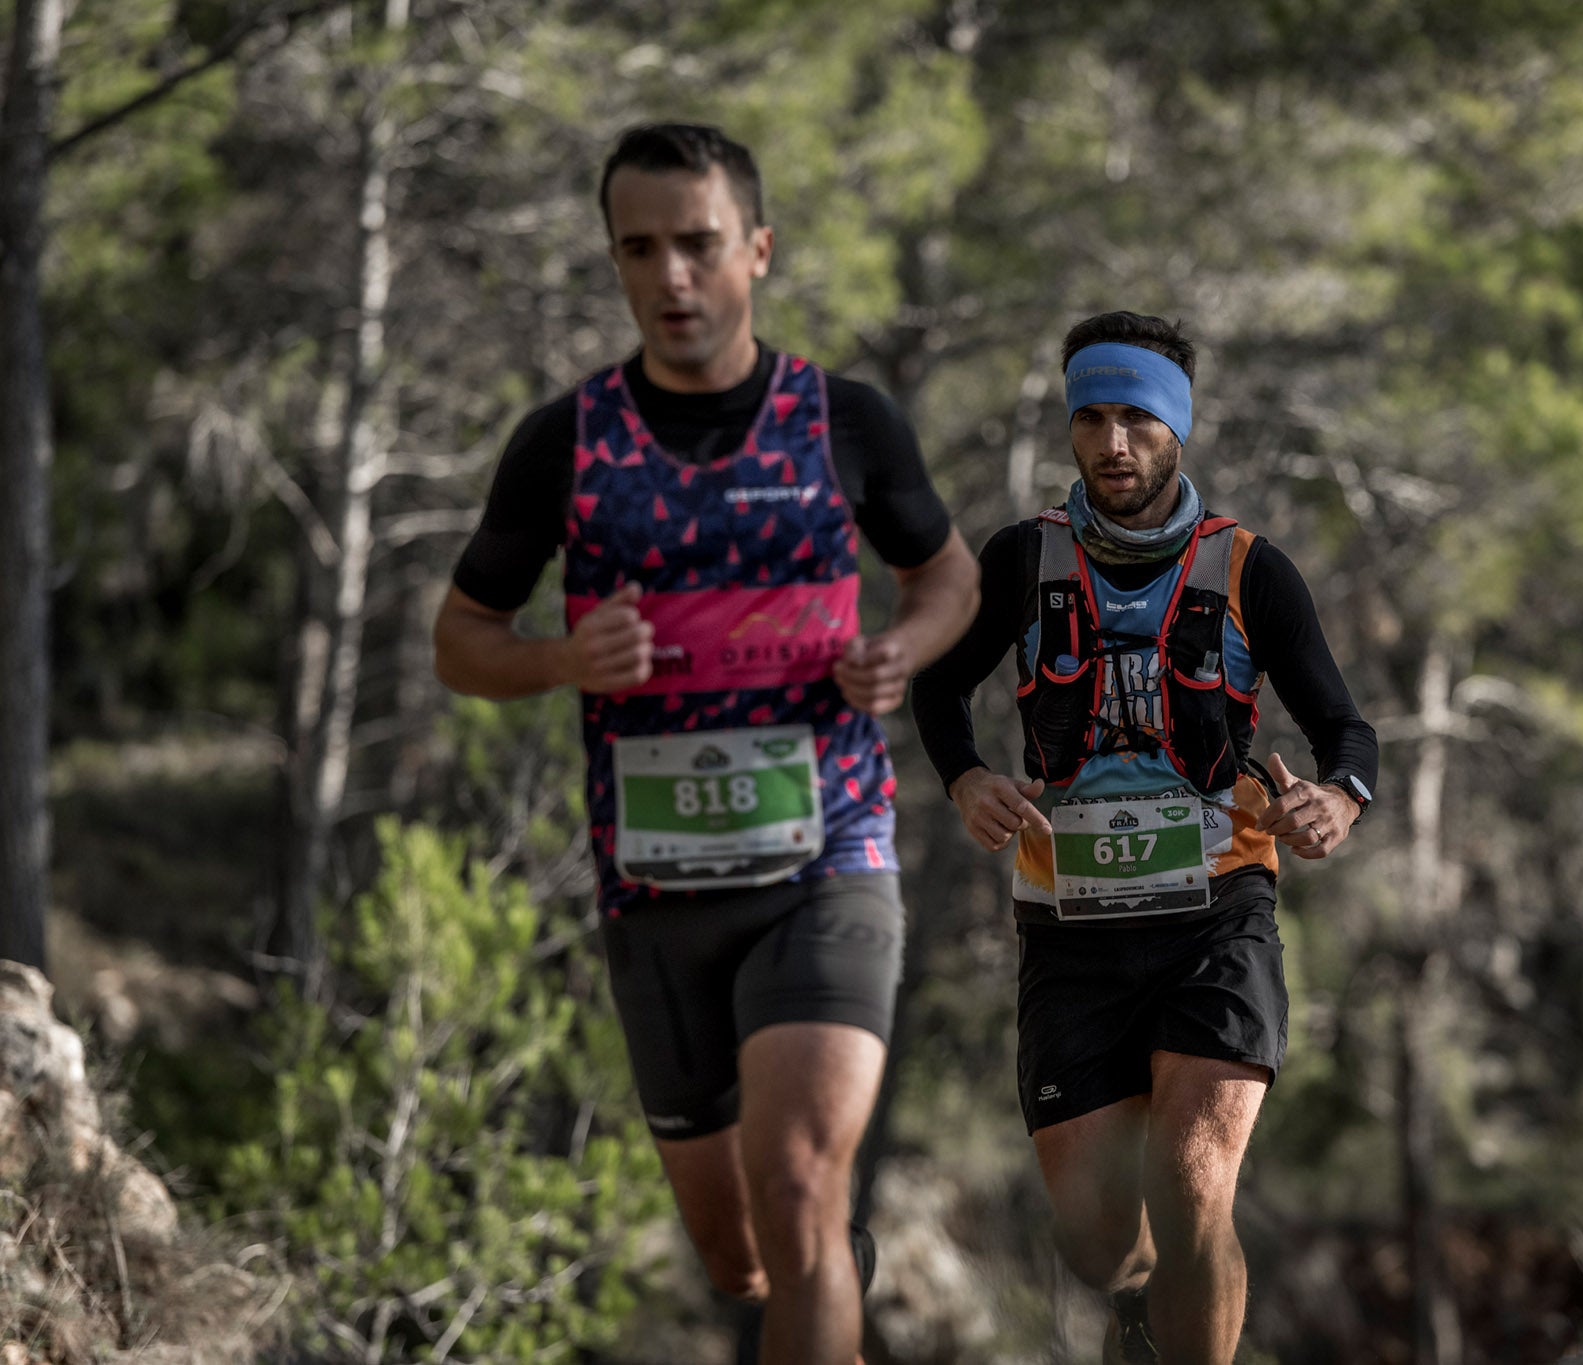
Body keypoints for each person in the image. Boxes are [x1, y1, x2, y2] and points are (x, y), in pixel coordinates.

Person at [433, 122, 979, 1365]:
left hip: (828, 858)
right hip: (656, 886)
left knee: (796, 1191)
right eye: (640, 249)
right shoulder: (562, 445)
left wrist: (903, 648)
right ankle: (823, 1271)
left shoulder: (845, 421)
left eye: (698, 244)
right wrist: (559, 660)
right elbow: (460, 641)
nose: (671, 276)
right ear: (616, 263)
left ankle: (822, 1254)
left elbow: (946, 578)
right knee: (740, 1259)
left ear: (758, 251)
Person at [910, 311, 1377, 1364]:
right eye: (1091, 418)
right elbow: (936, 683)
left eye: (1134, 419)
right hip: (1067, 926)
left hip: (1216, 911)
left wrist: (1339, 797)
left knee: (1192, 1185)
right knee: (1094, 1236)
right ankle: (1134, 1310)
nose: (1110, 442)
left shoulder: (1251, 570)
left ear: (1177, 432)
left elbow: (1345, 727)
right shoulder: (1022, 559)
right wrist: (967, 776)